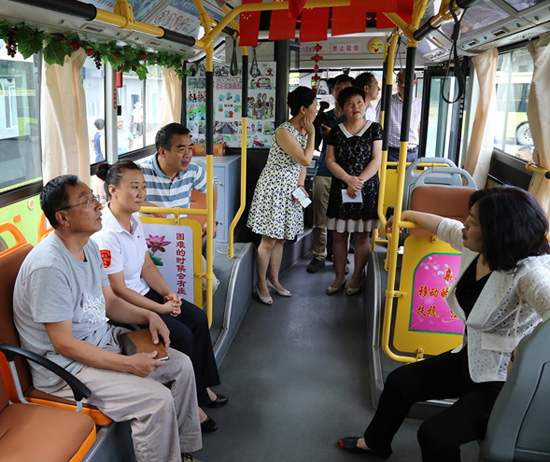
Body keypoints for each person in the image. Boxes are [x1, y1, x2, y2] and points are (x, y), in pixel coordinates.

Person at [338, 186, 550, 462]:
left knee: (435, 435)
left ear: (499, 232)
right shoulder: (479, 248)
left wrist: (525, 352)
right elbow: (446, 227)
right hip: (471, 358)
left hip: (503, 381)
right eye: (468, 216)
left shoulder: (531, 273)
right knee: (400, 382)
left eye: (473, 222)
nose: (465, 225)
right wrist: (408, 214)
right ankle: (376, 443)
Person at [13, 175, 202, 462]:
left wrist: (149, 314)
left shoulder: (88, 246)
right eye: (87, 201)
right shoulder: (48, 267)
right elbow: (64, 344)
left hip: (102, 342)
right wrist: (128, 364)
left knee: (181, 365)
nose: (98, 206)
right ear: (63, 217)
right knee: (156, 399)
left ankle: (180, 451)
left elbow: (110, 303)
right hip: (68, 369)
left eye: (94, 198)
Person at [92, 160, 227, 434]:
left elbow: (147, 266)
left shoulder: (134, 220)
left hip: (142, 292)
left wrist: (168, 294)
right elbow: (118, 291)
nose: (141, 193)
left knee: (198, 318)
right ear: (113, 190)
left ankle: (202, 388)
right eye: (134, 187)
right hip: (124, 304)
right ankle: (193, 406)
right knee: (182, 335)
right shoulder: (106, 234)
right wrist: (159, 309)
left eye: (143, 187)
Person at [247, 86, 317, 305]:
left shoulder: (303, 132)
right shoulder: (284, 131)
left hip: (290, 189)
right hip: (274, 189)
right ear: (303, 109)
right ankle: (261, 284)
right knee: (268, 240)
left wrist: (301, 184)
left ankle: (274, 279)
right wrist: (313, 134)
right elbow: (306, 159)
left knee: (281, 239)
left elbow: (302, 165)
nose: (316, 110)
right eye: (314, 106)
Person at [139, 123, 220, 294]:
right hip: (144, 243)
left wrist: (211, 220)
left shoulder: (193, 171)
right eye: (181, 149)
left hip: (179, 240)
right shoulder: (140, 172)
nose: (188, 155)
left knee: (209, 285)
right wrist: (151, 207)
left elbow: (211, 188)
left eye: (190, 148)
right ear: (162, 152)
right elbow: (119, 200)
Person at [325, 86, 383, 295]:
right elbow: (330, 160)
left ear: (365, 104)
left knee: (362, 235)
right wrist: (347, 179)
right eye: (349, 103)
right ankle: (339, 276)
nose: (355, 106)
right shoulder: (335, 132)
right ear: (341, 109)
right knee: (340, 235)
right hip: (341, 186)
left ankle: (357, 277)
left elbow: (377, 159)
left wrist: (358, 182)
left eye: (359, 101)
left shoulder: (375, 129)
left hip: (366, 189)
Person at [306, 74, 354, 274]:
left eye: (346, 87)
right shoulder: (324, 117)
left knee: (344, 220)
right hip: (324, 171)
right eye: (338, 87)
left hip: (347, 175)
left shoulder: (354, 118)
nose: (342, 91)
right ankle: (319, 255)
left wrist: (333, 134)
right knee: (320, 218)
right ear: (333, 92)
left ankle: (339, 256)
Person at [376, 70, 422, 162]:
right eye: (400, 82)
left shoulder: (419, 104)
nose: (403, 85)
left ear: (415, 82)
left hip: (413, 153)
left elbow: (419, 128)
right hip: (392, 152)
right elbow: (378, 125)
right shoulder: (386, 101)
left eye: (406, 82)